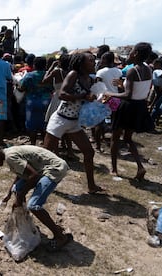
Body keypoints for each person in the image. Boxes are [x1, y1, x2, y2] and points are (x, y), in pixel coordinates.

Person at [0, 141, 72, 251]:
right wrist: (9, 194)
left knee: (34, 205)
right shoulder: (8, 154)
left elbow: (34, 176)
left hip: (54, 168)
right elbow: (21, 174)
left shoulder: (10, 157)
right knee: (16, 189)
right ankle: (25, 221)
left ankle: (61, 237)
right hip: (42, 168)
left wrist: (19, 198)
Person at [44, 52, 104, 194]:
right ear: (81, 63)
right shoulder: (73, 75)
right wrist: (82, 96)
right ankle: (31, 180)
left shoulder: (89, 79)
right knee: (45, 154)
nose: (93, 63)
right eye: (90, 61)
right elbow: (62, 94)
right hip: (60, 119)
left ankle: (91, 186)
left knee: (89, 152)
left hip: (74, 123)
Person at [104, 42, 153, 181]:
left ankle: (114, 168)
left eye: (131, 51)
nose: (130, 53)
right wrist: (121, 85)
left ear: (136, 53)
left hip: (128, 106)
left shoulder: (132, 70)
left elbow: (128, 94)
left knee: (115, 137)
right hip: (140, 106)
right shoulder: (148, 69)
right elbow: (140, 88)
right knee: (128, 138)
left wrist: (110, 94)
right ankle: (140, 166)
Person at [18, 57, 51, 145]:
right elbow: (53, 88)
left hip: (31, 102)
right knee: (45, 123)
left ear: (34, 65)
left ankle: (33, 144)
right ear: (45, 65)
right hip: (46, 102)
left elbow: (21, 88)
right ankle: (45, 144)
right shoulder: (49, 75)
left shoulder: (29, 75)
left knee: (31, 124)